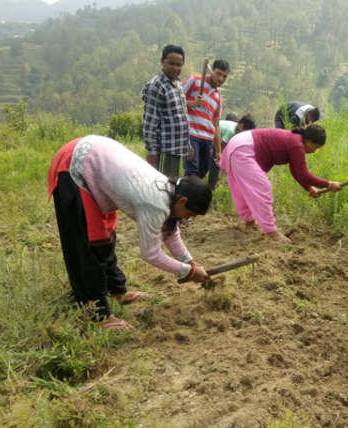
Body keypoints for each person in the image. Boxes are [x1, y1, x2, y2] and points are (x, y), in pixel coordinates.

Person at [48, 135, 212, 330]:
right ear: (183, 201)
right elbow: (150, 254)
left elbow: (170, 232)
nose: (187, 219)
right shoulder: (154, 203)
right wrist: (189, 272)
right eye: (190, 214)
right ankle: (97, 314)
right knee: (89, 245)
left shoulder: (171, 191)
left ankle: (118, 291)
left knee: (104, 238)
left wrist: (189, 262)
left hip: (98, 163)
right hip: (75, 166)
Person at [220, 124, 341, 242]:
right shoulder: (297, 145)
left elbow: (296, 171)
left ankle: (249, 223)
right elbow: (304, 174)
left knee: (242, 188)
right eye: (315, 146)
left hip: (238, 143)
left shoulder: (295, 141)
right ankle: (271, 231)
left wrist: (309, 188)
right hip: (243, 147)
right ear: (309, 140)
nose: (314, 151)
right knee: (263, 187)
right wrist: (329, 184)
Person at [142, 45, 190, 178]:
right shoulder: (156, 85)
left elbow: (183, 115)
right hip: (164, 149)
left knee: (172, 184)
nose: (175, 68)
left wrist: (187, 144)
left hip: (176, 148)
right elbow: (150, 122)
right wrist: (152, 152)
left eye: (179, 65)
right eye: (171, 64)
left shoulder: (178, 83)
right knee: (162, 185)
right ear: (162, 62)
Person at [183, 59, 230, 190]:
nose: (221, 78)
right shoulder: (194, 81)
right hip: (191, 134)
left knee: (203, 171)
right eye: (218, 73)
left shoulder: (218, 97)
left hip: (207, 139)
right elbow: (175, 101)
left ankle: (184, 190)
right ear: (212, 70)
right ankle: (187, 200)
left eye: (224, 76)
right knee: (192, 171)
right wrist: (193, 104)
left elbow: (215, 124)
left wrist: (219, 151)